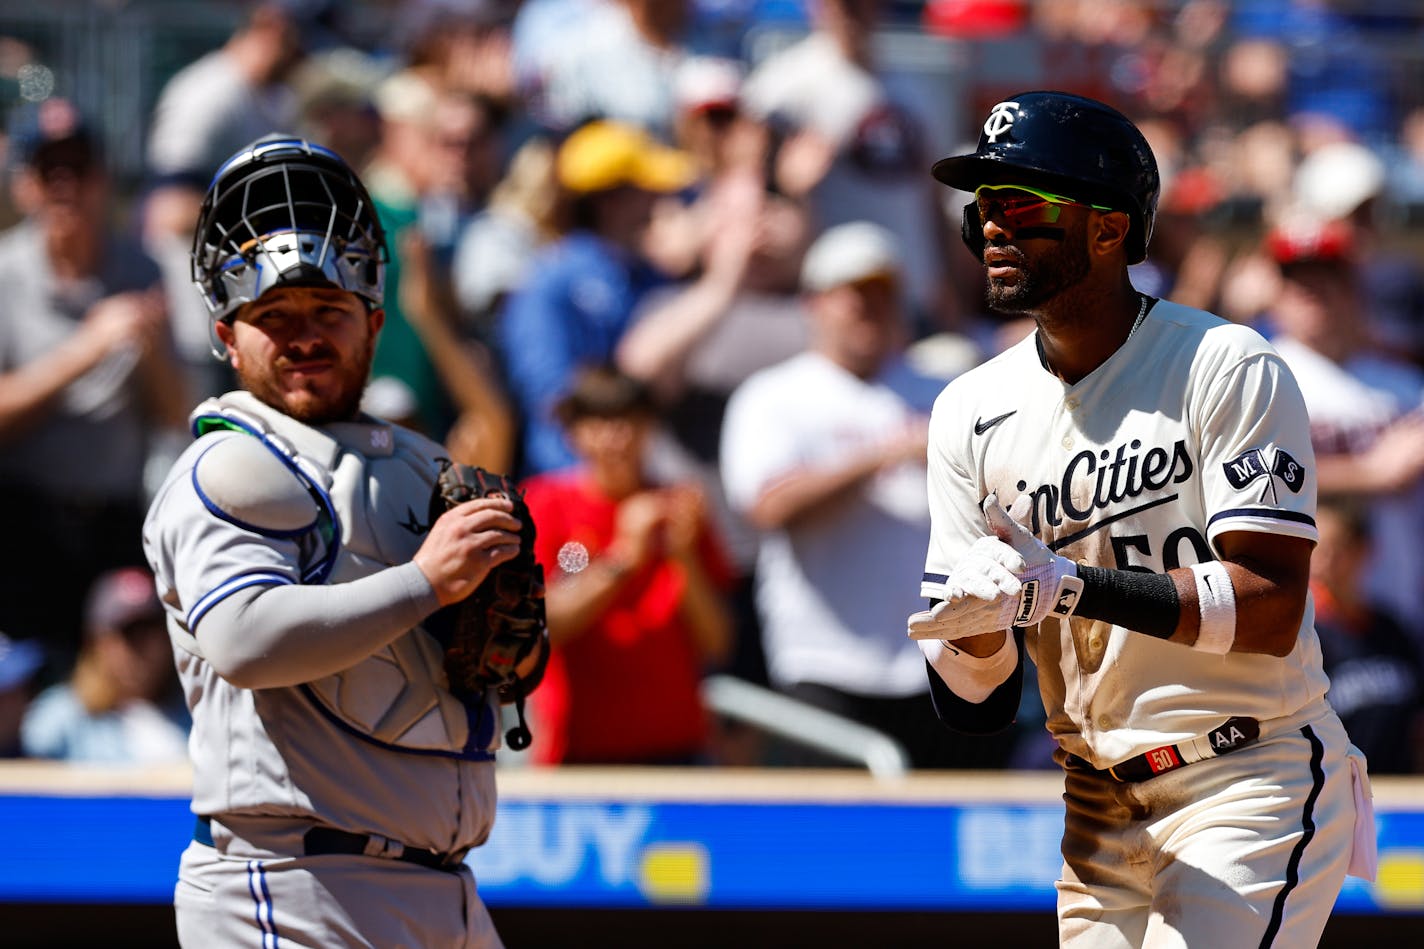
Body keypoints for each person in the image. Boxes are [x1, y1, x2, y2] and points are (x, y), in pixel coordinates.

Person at [908, 90, 1376, 946]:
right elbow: (972, 703)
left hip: (1248, 770)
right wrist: (975, 628)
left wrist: (1070, 586)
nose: (994, 228)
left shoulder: (1223, 363)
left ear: (1108, 228)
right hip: (1095, 798)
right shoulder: (966, 410)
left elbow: (1271, 605)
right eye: (983, 208)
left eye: (1022, 203)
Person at [142, 136, 542, 947]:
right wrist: (427, 582)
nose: (304, 336)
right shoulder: (233, 461)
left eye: (329, 312)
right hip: (292, 885)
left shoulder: (422, 463)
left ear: (374, 322)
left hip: (446, 887)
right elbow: (245, 639)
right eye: (273, 319)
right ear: (226, 336)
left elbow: (491, 656)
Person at [720, 220, 1000, 769]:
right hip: (826, 663)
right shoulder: (774, 395)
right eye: (855, 295)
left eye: (883, 294)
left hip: (943, 659)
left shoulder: (942, 388)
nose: (871, 309)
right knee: (834, 849)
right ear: (815, 304)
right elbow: (767, 506)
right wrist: (882, 454)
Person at [0, 99, 187, 661]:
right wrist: (88, 348)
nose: (65, 186)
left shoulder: (142, 267)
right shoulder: (5, 273)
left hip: (115, 519)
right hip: (23, 522)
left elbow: (175, 414)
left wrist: (152, 354)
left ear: (103, 180)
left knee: (116, 688)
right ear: (23, 185)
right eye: (48, 171)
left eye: (78, 169)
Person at [521, 365, 734, 765]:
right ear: (574, 433)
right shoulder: (547, 505)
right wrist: (623, 558)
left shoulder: (680, 508)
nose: (616, 438)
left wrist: (683, 556)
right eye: (600, 424)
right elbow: (543, 623)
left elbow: (717, 642)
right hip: (576, 751)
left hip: (678, 746)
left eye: (629, 423)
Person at [497, 119, 697, 476]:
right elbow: (550, 398)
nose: (660, 200)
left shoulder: (646, 273)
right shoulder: (549, 281)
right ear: (612, 200)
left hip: (634, 481)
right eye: (647, 189)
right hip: (570, 486)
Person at [21, 566, 189, 765]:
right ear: (96, 641)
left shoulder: (196, 710)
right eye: (129, 634)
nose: (144, 647)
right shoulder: (57, 721)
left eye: (152, 630)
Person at [1309, 496, 1424, 774]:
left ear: (1364, 551)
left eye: (1337, 550)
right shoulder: (1304, 639)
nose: (1325, 563)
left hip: (1400, 796)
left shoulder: (1392, 631)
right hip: (1335, 795)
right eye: (1316, 551)